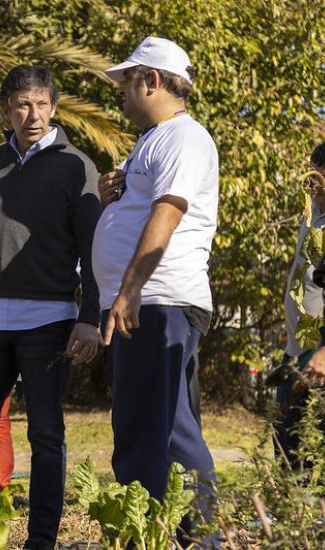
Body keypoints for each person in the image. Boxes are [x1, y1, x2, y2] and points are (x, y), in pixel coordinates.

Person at [0, 65, 102, 549]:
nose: (31, 114)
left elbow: (93, 248)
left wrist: (90, 317)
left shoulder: (77, 166)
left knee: (46, 437)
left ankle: (41, 541)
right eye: (21, 104)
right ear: (6, 109)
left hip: (50, 320)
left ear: (54, 108)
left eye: (40, 104)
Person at [93, 37, 219, 543]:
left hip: (157, 300)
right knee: (157, 429)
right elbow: (145, 204)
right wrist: (115, 196)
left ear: (152, 80)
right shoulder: (152, 139)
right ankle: (174, 536)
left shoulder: (183, 137)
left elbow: (168, 211)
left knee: (158, 432)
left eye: (127, 80)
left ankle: (194, 538)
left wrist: (129, 289)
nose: (122, 91)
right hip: (150, 301)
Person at [273, 144, 325, 461]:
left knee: (315, 459)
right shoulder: (312, 218)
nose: (314, 181)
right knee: (288, 454)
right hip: (297, 354)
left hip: (321, 359)